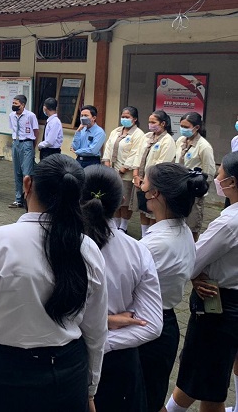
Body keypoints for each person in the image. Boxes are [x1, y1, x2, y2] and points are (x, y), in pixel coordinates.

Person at [0, 154, 107, 412]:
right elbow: (97, 332)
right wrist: (90, 389)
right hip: (68, 377)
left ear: (27, 184)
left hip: (4, 379)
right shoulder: (88, 249)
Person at [81, 165, 163, 412]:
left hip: (68, 358)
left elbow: (46, 310)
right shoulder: (137, 250)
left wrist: (95, 334)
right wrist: (105, 326)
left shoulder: (57, 244)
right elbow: (152, 325)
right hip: (119, 363)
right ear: (122, 201)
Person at [162, 152, 238, 412]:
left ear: (232, 183)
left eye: (220, 174)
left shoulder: (228, 222)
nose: (216, 178)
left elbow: (192, 260)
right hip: (231, 304)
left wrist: (193, 275)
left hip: (219, 305)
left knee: (203, 377)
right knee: (212, 380)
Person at [136, 162, 208, 412]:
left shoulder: (154, 244)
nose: (140, 186)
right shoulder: (184, 232)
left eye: (143, 182)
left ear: (155, 193)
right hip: (166, 327)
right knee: (153, 397)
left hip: (143, 330)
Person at [132, 110, 176, 237]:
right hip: (141, 179)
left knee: (152, 209)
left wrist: (148, 180)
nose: (150, 125)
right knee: (142, 207)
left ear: (163, 123)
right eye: (149, 122)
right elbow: (138, 155)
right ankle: (143, 235)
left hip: (155, 181)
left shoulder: (168, 141)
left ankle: (151, 235)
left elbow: (161, 163)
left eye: (153, 122)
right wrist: (136, 175)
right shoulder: (146, 137)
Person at [102, 106, 146, 233]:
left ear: (135, 119)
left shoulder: (138, 134)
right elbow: (109, 147)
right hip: (112, 170)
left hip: (126, 173)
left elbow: (135, 153)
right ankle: (115, 224)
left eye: (127, 117)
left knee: (125, 200)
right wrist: (107, 163)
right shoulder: (116, 131)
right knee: (115, 198)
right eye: (123, 117)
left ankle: (124, 226)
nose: (124, 119)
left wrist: (124, 168)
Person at [175, 112, 215, 241]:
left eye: (186, 127)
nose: (183, 129)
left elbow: (209, 172)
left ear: (196, 127)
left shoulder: (204, 146)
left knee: (192, 226)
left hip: (194, 191)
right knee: (177, 223)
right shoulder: (181, 141)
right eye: (181, 126)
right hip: (179, 188)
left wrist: (200, 189)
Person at [8, 94, 38, 208]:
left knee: (27, 172)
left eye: (16, 103)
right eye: (13, 103)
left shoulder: (30, 116)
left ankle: (28, 198)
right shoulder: (11, 115)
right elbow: (13, 129)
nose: (13, 105)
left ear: (23, 105)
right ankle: (18, 199)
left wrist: (32, 145)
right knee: (17, 172)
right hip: (16, 143)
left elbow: (35, 131)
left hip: (27, 143)